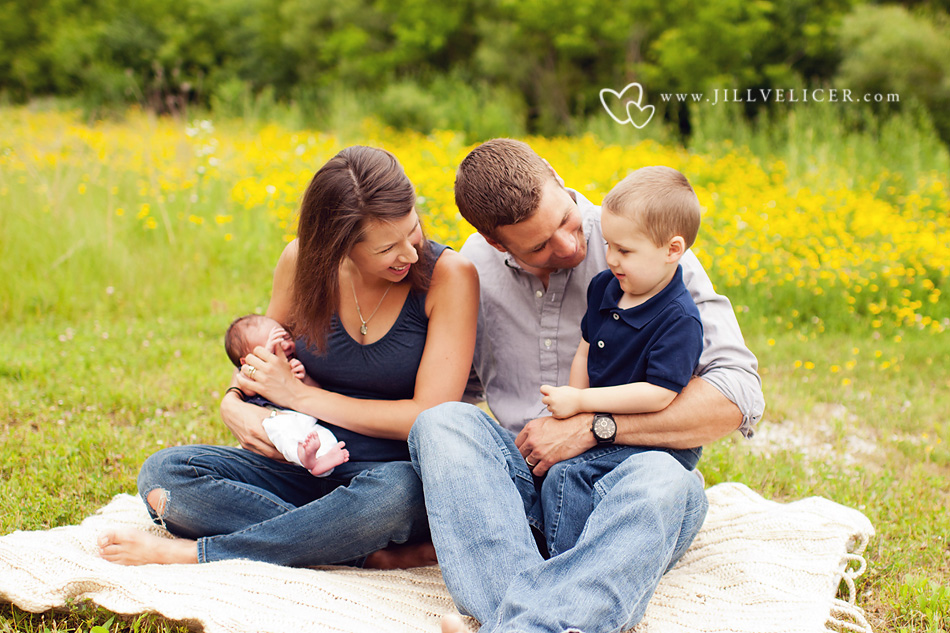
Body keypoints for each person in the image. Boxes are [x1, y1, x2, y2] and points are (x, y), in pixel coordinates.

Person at [408, 139, 764, 633]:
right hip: (523, 489)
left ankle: (514, 622)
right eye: (539, 246)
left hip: (621, 488)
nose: (571, 247)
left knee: (666, 482)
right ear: (496, 242)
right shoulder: (472, 268)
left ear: (557, 176)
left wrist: (595, 427)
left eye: (565, 222)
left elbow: (738, 394)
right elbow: (453, 386)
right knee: (441, 424)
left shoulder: (648, 241)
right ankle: (553, 615)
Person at [98, 145, 479, 569]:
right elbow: (259, 360)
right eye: (387, 248)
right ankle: (357, 549)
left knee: (397, 497)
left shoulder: (450, 276)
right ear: (339, 245)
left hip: (388, 476)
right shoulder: (301, 262)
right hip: (296, 465)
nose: (409, 253)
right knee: (165, 474)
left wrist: (300, 397)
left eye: (413, 231)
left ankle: (200, 553)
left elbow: (429, 415)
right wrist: (233, 403)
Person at [538, 165, 704, 557]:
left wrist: (582, 404)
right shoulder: (606, 287)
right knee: (549, 469)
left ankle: (564, 562)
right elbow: (584, 348)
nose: (611, 257)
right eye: (609, 244)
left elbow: (658, 394)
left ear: (672, 250)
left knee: (568, 475)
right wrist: (572, 403)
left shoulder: (679, 318)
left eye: (625, 250)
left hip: (653, 442)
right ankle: (566, 543)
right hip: (601, 423)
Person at [224, 313, 349, 477]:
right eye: (273, 346)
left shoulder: (295, 365)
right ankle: (305, 458)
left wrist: (303, 378)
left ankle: (322, 463)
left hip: (304, 420)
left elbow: (315, 392)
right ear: (246, 362)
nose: (285, 345)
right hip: (274, 420)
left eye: (285, 336)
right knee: (281, 433)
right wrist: (268, 359)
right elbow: (247, 390)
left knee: (321, 436)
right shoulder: (249, 375)